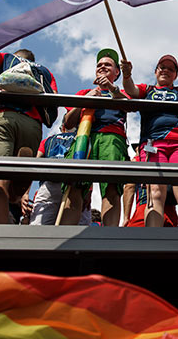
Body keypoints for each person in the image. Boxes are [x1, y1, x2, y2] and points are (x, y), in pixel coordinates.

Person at [121, 54, 178, 227]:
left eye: (171, 69)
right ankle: (153, 241)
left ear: (175, 75)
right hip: (152, 144)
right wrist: (127, 75)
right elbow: (132, 90)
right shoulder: (147, 90)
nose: (165, 70)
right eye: (162, 67)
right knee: (154, 192)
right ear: (156, 71)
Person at [0, 48, 57, 224]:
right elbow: (53, 102)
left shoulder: (6, 58)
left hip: (5, 116)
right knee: (15, 192)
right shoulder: (45, 71)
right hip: (32, 124)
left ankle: (0, 228)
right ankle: (19, 185)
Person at [61, 49, 128, 226]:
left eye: (108, 64)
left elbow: (130, 106)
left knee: (112, 187)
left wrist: (112, 88)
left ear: (116, 72)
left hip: (112, 138)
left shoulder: (118, 92)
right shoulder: (84, 91)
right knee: (75, 186)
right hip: (84, 138)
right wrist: (85, 100)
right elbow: (68, 123)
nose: (102, 67)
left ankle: (110, 237)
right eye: (99, 65)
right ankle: (66, 233)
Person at [29, 122, 76, 225]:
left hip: (49, 184)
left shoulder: (48, 140)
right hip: (72, 185)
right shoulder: (80, 140)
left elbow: (35, 163)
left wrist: (26, 192)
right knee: (75, 225)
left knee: (39, 227)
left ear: (63, 128)